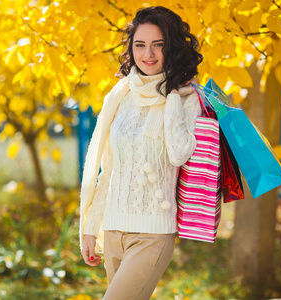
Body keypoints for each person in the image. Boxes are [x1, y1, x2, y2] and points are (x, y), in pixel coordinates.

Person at [79, 6, 203, 300]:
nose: (149, 54)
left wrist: (172, 96)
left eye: (158, 45)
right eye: (140, 44)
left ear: (171, 48)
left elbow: (179, 154)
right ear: (131, 49)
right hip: (113, 231)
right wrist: (90, 226)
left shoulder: (186, 99)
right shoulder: (121, 94)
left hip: (152, 233)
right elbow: (110, 170)